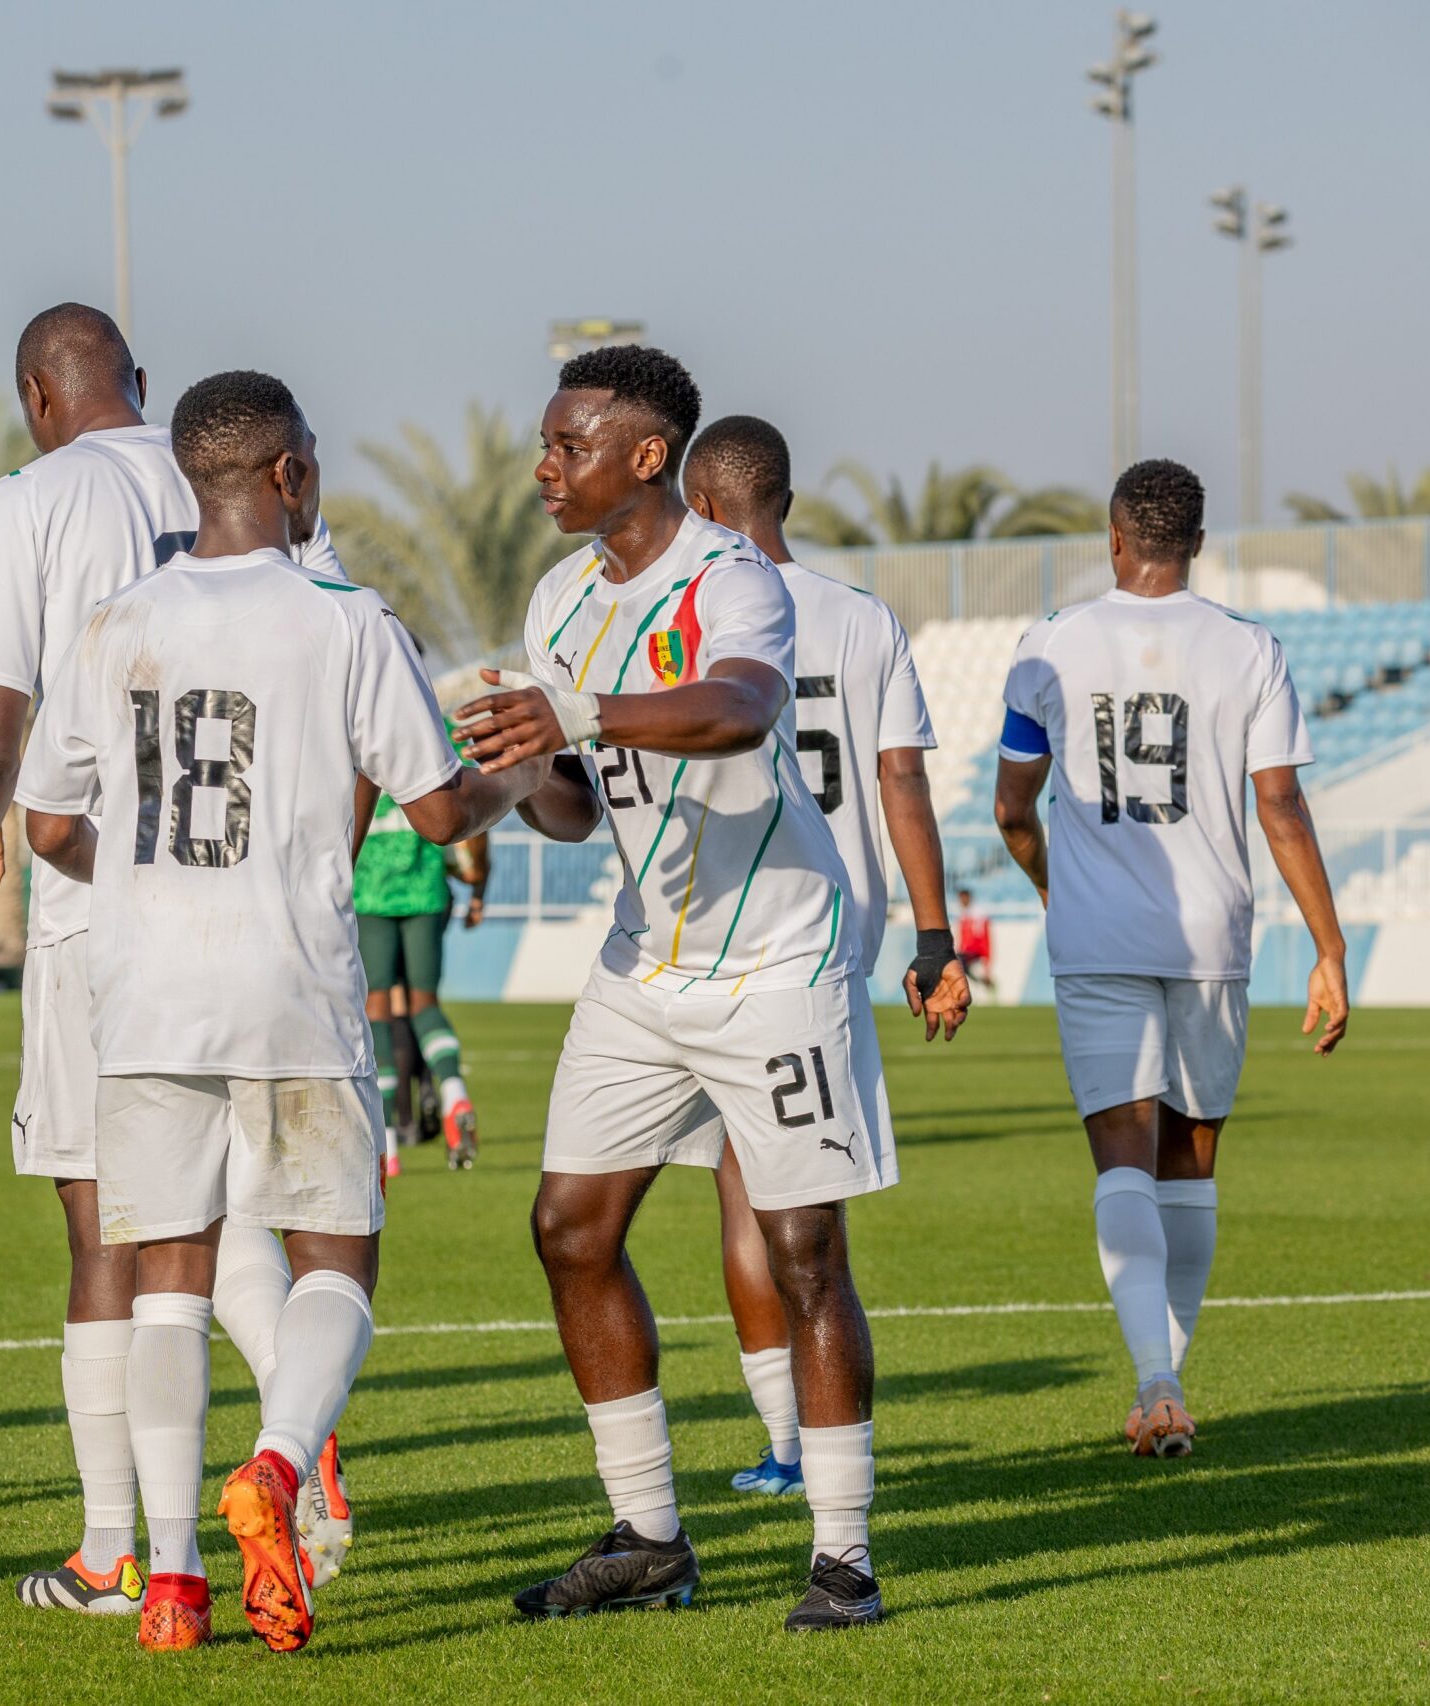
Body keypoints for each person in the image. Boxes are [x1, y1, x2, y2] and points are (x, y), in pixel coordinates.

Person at [15, 369, 545, 1652]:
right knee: (335, 1261)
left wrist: (139, 881)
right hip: (292, 984)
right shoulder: (344, 615)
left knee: (168, 1281)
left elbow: (45, 823)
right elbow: (432, 809)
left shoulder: (112, 619)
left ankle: (176, 1582)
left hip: (140, 993)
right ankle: (276, 1462)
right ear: (290, 475)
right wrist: (518, 779)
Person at [0, 305, 356, 1613]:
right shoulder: (255, 470)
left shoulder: (28, 502)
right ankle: (297, 1436)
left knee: (113, 1224)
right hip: (276, 918)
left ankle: (115, 1551)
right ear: (140, 385)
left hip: (114, 916)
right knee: (233, 1214)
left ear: (38, 391)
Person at [455, 345, 892, 1632]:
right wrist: (504, 771)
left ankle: (843, 1555)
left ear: (647, 456)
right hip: (644, 961)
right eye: (544, 445)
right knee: (569, 1228)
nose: (544, 467)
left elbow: (744, 709)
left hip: (777, 961)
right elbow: (580, 812)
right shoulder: (556, 596)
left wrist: (573, 711)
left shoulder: (733, 576)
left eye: (568, 445)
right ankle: (647, 1534)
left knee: (804, 1251)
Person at [993, 457, 1349, 1457]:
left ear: (1113, 537)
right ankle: (1168, 1381)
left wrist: (1054, 886)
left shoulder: (1048, 645)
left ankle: (1153, 1377)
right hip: (1212, 938)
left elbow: (1012, 809)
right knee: (1188, 1162)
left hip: (1097, 938)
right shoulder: (1248, 648)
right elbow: (1278, 803)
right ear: (1195, 543)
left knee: (1121, 1153)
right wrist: (1329, 945)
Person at [681, 414, 972, 1500]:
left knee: (740, 1190)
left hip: (714, 931)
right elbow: (901, 780)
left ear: (700, 507)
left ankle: (788, 1443)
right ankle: (822, 1435)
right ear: (784, 503)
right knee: (808, 1201)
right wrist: (933, 938)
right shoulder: (861, 620)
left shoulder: (690, 610)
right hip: (832, 934)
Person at [353, 677, 485, 1168]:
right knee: (425, 1004)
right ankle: (453, 1091)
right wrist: (480, 889)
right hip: (427, 893)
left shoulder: (356, 730)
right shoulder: (444, 732)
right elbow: (472, 818)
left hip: (369, 892)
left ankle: (385, 1137)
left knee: (378, 1008)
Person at [954, 888, 994, 991]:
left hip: (975, 951)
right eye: (960, 899)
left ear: (969, 897)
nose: (961, 901)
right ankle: (981, 982)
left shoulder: (978, 914)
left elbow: (984, 937)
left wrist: (986, 957)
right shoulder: (962, 914)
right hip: (966, 951)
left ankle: (980, 982)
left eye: (963, 898)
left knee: (958, 962)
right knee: (957, 963)